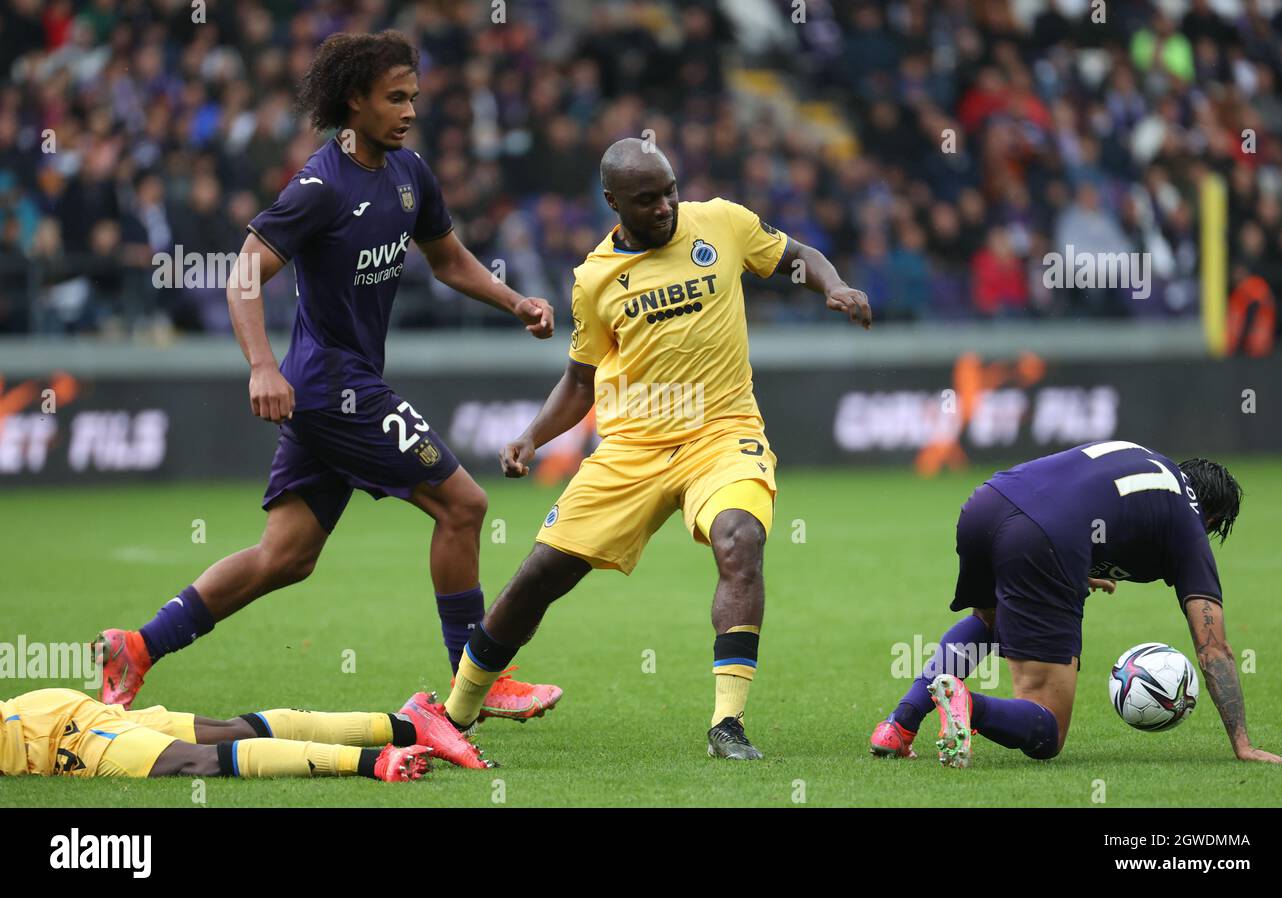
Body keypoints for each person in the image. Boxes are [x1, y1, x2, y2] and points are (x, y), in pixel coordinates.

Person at [92, 31, 561, 724]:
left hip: (335, 392)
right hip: (332, 387)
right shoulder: (320, 186)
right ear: (354, 101)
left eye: (414, 97)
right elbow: (244, 272)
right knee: (464, 507)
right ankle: (477, 683)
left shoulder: (410, 174)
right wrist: (260, 365)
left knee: (285, 556)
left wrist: (514, 299)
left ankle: (137, 645)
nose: (408, 111)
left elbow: (450, 259)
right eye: (394, 98)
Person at [439, 138, 873, 760]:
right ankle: (455, 713)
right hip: (633, 446)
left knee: (740, 539)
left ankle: (727, 724)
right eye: (647, 199)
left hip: (722, 432)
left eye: (670, 190)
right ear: (614, 202)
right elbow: (581, 381)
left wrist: (835, 285)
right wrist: (532, 437)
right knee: (541, 576)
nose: (666, 206)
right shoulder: (594, 279)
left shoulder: (722, 221)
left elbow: (797, 256)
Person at [869, 440, 1282, 767]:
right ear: (1214, 519)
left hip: (988, 503)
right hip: (1045, 537)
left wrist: (1070, 566)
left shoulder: (1146, 462)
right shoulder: (1189, 523)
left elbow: (1079, 496)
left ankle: (898, 725)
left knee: (988, 623)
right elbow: (1213, 647)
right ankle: (968, 703)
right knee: (1047, 730)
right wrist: (1242, 743)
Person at [1, 687, 489, 780]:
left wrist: (367, 763)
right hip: (46, 707)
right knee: (225, 731)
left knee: (199, 760)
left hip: (62, 738)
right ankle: (407, 723)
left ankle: (375, 760)